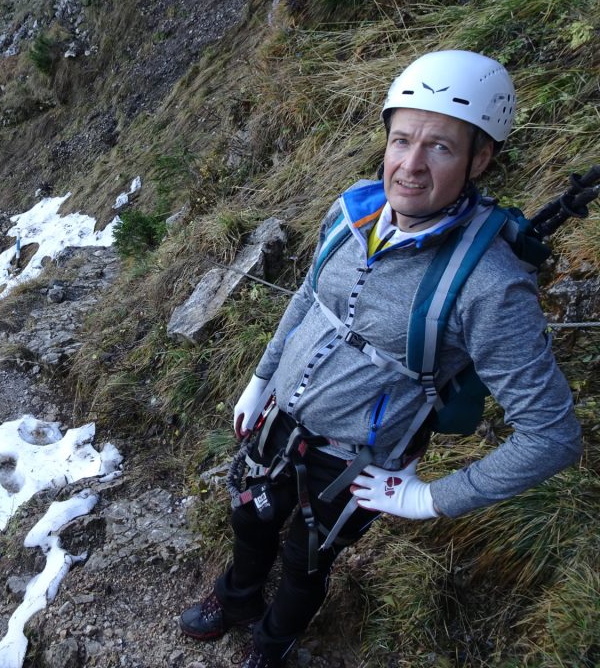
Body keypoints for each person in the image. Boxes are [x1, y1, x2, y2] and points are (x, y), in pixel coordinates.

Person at [179, 50, 583, 668]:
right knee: (251, 516)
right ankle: (236, 600)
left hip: (355, 460)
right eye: (401, 140)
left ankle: (271, 644)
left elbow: (552, 435)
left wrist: (432, 499)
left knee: (306, 557)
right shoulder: (351, 210)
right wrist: (261, 381)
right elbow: (312, 298)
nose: (410, 167)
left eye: (440, 148)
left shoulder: (490, 288)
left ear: (481, 159)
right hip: (280, 421)